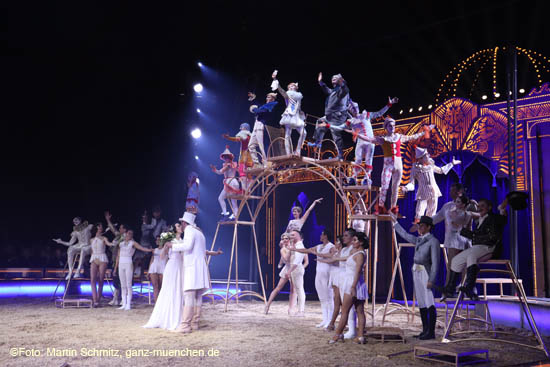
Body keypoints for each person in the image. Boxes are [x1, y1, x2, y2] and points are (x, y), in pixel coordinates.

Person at [353, 117, 433, 214]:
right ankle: (381, 208)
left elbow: (412, 137)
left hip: (399, 166)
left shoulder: (399, 137)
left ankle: (393, 208)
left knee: (395, 188)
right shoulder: (383, 139)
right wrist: (358, 135)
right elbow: (369, 139)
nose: (392, 127)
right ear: (386, 127)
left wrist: (424, 132)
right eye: (390, 126)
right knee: (384, 187)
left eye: (393, 125)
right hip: (388, 166)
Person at [442, 197, 509, 300]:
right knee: (456, 260)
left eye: (483, 206)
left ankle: (470, 287)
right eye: (479, 206)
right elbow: (475, 235)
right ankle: (450, 289)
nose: (479, 208)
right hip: (478, 247)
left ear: (489, 207)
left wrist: (502, 208)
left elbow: (502, 221)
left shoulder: (493, 218)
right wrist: (460, 229)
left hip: (489, 247)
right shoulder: (480, 220)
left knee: (471, 256)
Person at [320, 97, 397, 185]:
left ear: (358, 108)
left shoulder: (366, 115)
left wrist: (389, 104)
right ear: (350, 110)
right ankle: (353, 178)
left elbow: (379, 113)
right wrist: (328, 125)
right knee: (358, 160)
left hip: (370, 142)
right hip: (360, 142)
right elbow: (340, 127)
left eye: (355, 107)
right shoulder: (351, 121)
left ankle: (367, 178)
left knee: (369, 160)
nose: (354, 109)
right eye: (352, 108)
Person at [392, 214, 440, 340]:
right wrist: (395, 223)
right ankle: (424, 330)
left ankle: (431, 331)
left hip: (426, 272)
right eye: (419, 226)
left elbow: (435, 263)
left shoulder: (433, 241)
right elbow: (407, 236)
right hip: (416, 271)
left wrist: (432, 279)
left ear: (429, 227)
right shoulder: (419, 240)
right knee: (422, 301)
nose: (420, 228)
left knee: (429, 301)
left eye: (422, 226)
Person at [321, 231, 368, 344]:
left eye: (355, 240)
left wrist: (352, 287)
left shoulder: (360, 254)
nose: (353, 241)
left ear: (361, 242)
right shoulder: (354, 251)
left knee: (346, 311)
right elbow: (344, 258)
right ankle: (360, 337)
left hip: (353, 283)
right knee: (359, 310)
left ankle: (338, 335)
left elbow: (357, 272)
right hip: (353, 282)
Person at [168, 212, 209, 333]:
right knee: (197, 296)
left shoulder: (190, 230)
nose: (181, 225)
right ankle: (194, 323)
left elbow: (188, 246)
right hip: (200, 267)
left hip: (193, 267)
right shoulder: (199, 232)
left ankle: (185, 326)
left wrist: (172, 246)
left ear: (185, 223)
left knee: (189, 295)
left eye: (182, 223)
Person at [143, 223, 184, 330]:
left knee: (179, 290)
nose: (181, 227)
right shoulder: (170, 241)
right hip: (172, 265)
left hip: (180, 266)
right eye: (179, 226)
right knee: (169, 289)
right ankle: (168, 315)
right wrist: (165, 247)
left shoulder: (183, 240)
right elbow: (162, 256)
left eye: (181, 226)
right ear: (175, 230)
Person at [402, 147, 461, 222]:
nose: (428, 156)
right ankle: (419, 231)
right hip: (423, 193)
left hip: (434, 192)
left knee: (432, 214)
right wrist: (406, 188)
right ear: (421, 158)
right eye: (426, 155)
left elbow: (441, 170)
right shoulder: (415, 168)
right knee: (419, 213)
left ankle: (428, 231)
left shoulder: (430, 166)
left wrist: (452, 163)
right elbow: (412, 183)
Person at [430, 183, 471, 286]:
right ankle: (449, 290)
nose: (451, 193)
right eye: (451, 190)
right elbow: (436, 218)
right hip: (452, 241)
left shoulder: (468, 206)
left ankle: (465, 290)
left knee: (465, 266)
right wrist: (423, 222)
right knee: (452, 266)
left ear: (460, 192)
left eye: (454, 191)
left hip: (465, 240)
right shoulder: (447, 206)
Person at [308, 73, 350, 159]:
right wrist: (320, 82)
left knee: (335, 135)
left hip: (337, 117)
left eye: (335, 78)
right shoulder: (333, 91)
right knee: (320, 121)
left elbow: (345, 90)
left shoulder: (341, 90)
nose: (333, 78)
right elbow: (326, 89)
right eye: (332, 78)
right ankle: (318, 142)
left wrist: (342, 82)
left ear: (340, 80)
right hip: (329, 116)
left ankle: (340, 155)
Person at [114, 229, 153, 310]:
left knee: (128, 284)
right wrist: (115, 268)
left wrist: (150, 250)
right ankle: (123, 303)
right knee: (122, 284)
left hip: (128, 263)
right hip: (121, 264)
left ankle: (128, 303)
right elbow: (118, 256)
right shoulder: (120, 244)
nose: (129, 235)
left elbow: (141, 248)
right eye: (128, 233)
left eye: (131, 234)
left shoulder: (133, 243)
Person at [271, 71, 306, 156]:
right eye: (289, 86)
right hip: (290, 115)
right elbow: (281, 90)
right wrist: (275, 79)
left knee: (304, 133)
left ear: (296, 87)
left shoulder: (298, 96)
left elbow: (298, 105)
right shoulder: (288, 94)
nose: (291, 87)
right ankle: (288, 153)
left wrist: (301, 112)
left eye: (292, 85)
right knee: (287, 135)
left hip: (297, 116)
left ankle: (297, 151)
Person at [264, 233, 295, 314]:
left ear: (289, 239)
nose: (285, 240)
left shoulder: (293, 247)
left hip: (294, 269)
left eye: (286, 238)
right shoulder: (283, 249)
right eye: (283, 238)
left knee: (293, 290)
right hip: (287, 268)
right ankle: (267, 305)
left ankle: (291, 309)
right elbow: (285, 258)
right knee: (278, 288)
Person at [211, 146, 242, 220]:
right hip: (232, 182)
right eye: (224, 157)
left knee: (223, 198)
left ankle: (228, 215)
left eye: (226, 157)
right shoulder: (232, 164)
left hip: (230, 182)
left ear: (229, 157)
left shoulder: (229, 165)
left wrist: (215, 170)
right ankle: (233, 215)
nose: (225, 159)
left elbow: (221, 172)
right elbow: (238, 171)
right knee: (231, 200)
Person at [247, 91, 278, 166]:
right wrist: (253, 99)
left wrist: (254, 109)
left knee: (261, 145)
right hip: (256, 125)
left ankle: (265, 163)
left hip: (261, 125)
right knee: (250, 146)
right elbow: (259, 107)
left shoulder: (272, 105)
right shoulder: (265, 105)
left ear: (273, 99)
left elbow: (260, 110)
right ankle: (256, 162)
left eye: (269, 97)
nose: (267, 98)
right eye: (267, 96)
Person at [89, 222, 115, 307]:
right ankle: (94, 298)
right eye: (99, 227)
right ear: (96, 228)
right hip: (94, 258)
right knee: (92, 279)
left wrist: (113, 243)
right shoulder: (91, 239)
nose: (101, 228)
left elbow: (108, 243)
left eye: (101, 227)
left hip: (102, 257)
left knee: (100, 279)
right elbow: (91, 250)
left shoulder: (104, 238)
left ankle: (98, 300)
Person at [104, 211, 126, 306]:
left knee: (121, 280)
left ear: (124, 230)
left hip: (121, 260)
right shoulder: (119, 236)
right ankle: (116, 298)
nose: (119, 229)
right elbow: (113, 229)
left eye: (121, 228)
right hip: (114, 260)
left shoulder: (125, 237)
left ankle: (122, 298)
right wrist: (108, 220)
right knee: (116, 280)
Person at [287, 230, 309, 316]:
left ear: (298, 236)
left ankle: (301, 311)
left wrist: (289, 271)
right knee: (297, 289)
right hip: (294, 269)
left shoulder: (300, 246)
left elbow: (297, 262)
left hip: (296, 268)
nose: (291, 236)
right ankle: (299, 310)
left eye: (293, 235)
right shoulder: (295, 246)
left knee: (300, 290)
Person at [148, 236, 168, 303]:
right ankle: (156, 302)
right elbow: (152, 259)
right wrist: (149, 270)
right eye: (157, 240)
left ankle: (162, 302)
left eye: (159, 240)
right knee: (155, 286)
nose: (157, 241)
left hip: (162, 267)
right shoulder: (155, 250)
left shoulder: (166, 250)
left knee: (162, 286)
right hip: (154, 267)